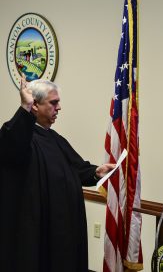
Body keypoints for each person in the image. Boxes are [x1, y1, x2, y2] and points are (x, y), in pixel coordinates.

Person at [0, 78, 115, 272]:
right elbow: (12, 146)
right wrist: (24, 107)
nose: (59, 108)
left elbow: (77, 169)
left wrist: (96, 171)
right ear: (35, 105)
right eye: (53, 103)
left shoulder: (55, 139)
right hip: (36, 233)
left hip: (63, 233)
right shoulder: (21, 137)